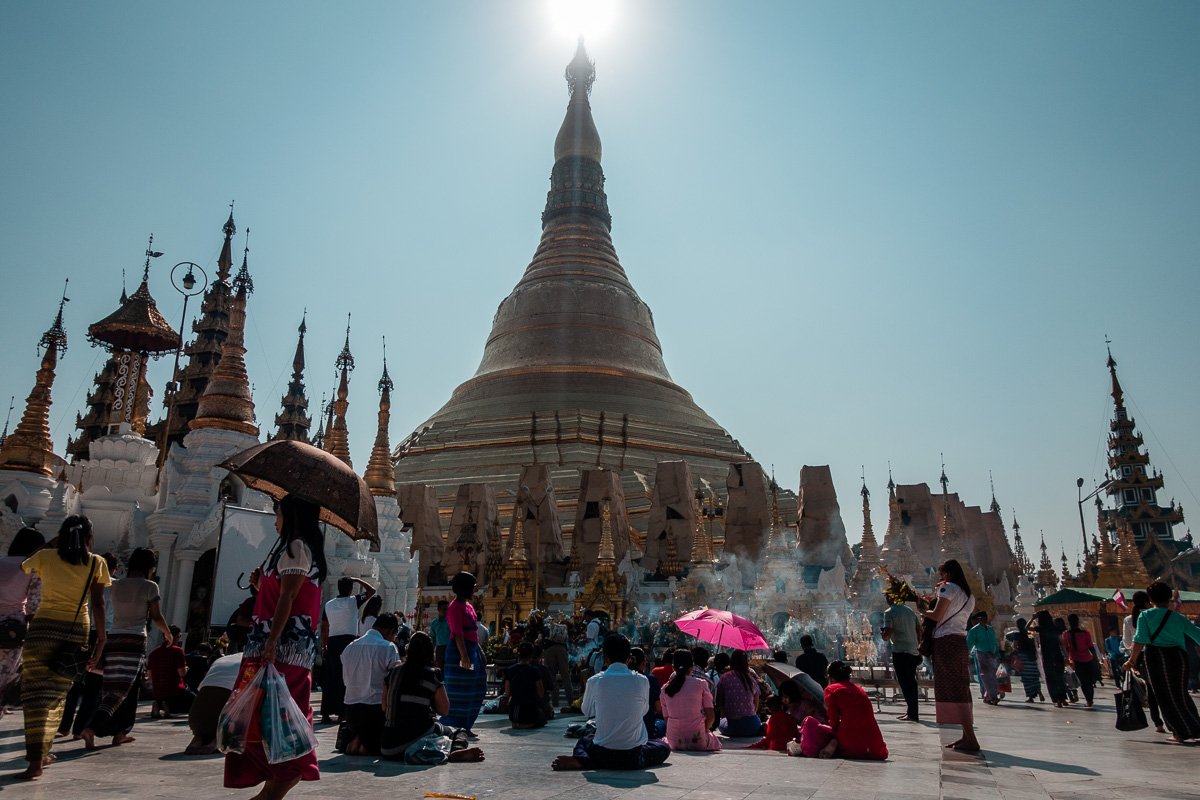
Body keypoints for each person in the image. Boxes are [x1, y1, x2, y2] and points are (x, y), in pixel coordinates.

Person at [224, 495, 328, 800]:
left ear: (292, 516)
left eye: (279, 514)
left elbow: (289, 597)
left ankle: (275, 788)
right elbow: (278, 594)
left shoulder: (296, 548)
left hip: (284, 649)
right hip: (267, 645)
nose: (275, 520)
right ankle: (270, 789)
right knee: (258, 716)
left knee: (279, 718)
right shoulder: (285, 549)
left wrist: (272, 641)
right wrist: (261, 584)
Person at [15, 515, 111, 781]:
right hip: (74, 633)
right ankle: (42, 754)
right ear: (90, 538)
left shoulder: (45, 557)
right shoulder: (96, 563)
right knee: (56, 697)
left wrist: (53, 542)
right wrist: (101, 640)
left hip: (41, 631)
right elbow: (99, 604)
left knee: (35, 697)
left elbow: (24, 564)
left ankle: (36, 758)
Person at [81, 547, 172, 749]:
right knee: (120, 690)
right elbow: (156, 617)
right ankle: (92, 728)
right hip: (135, 641)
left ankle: (121, 731)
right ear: (150, 567)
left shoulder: (115, 584)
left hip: (115, 638)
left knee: (125, 687)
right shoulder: (150, 586)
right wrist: (168, 633)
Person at [551, 633, 670, 771]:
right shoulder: (642, 681)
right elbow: (643, 711)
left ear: (605, 658)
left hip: (603, 752)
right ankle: (593, 762)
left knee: (584, 741)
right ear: (628, 658)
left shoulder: (594, 681)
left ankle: (584, 761)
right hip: (633, 756)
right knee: (663, 746)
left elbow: (587, 711)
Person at [380, 631, 484, 762]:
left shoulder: (393, 673)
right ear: (430, 651)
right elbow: (444, 710)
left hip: (388, 747)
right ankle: (456, 751)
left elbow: (384, 707)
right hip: (413, 739)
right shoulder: (432, 674)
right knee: (458, 731)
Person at [1124, 580, 1200, 742]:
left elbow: (1140, 639)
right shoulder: (1178, 618)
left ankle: (1179, 732)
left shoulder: (1145, 616)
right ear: (1169, 598)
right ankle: (1194, 727)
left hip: (1156, 658)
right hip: (1179, 657)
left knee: (1164, 695)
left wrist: (1131, 661)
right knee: (1180, 693)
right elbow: (1197, 635)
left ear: (1150, 599)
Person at [920, 558, 978, 753]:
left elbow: (936, 616)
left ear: (949, 574)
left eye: (942, 574)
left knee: (952, 687)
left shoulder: (948, 588)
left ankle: (970, 737)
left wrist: (922, 609)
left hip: (945, 642)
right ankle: (967, 735)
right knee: (960, 686)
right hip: (960, 641)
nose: (941, 578)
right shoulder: (969, 595)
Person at [339, 613, 402, 755]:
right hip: (375, 709)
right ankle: (363, 743)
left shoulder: (350, 647)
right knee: (373, 747)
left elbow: (345, 679)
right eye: (394, 634)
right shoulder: (388, 647)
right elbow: (394, 679)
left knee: (362, 736)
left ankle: (357, 738)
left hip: (351, 709)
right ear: (389, 631)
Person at [802, 661, 888, 760]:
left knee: (812, 725)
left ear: (831, 678)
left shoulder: (831, 690)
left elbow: (834, 721)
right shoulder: (859, 689)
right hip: (874, 743)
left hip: (852, 743)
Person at [0, 528, 44, 717]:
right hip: (12, 629)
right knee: (5, 678)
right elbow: (34, 604)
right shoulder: (32, 568)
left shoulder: (0, 562)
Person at [320, 575, 375, 723]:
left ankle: (325, 712)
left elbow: (325, 626)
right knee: (345, 677)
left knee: (330, 676)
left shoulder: (329, 604)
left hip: (332, 641)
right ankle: (341, 712)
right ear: (350, 589)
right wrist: (357, 580)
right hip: (348, 642)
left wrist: (324, 644)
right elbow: (372, 590)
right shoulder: (353, 601)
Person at [441, 571, 487, 735]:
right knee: (457, 691)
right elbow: (458, 633)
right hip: (459, 652)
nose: (475, 589)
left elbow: (472, 632)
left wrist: (479, 651)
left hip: (472, 649)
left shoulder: (469, 606)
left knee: (476, 688)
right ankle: (453, 725)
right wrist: (464, 656)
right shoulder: (454, 607)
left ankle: (466, 724)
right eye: (473, 586)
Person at [659, 648, 721, 751]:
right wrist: (703, 730)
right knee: (714, 741)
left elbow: (667, 720)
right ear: (691, 667)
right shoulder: (701, 684)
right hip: (698, 740)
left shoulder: (665, 689)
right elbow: (711, 717)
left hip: (673, 741)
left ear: (673, 668)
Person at [185, 651, 243, 755]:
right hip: (222, 720)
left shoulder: (220, 660)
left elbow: (201, 689)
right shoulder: (250, 661)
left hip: (196, 718)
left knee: (205, 721)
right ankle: (217, 741)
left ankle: (198, 738)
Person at [1124, 590, 1165, 732]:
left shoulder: (1129, 620)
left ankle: (1158, 723)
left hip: (1141, 657)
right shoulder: (1156, 615)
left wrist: (1132, 658)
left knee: (1151, 689)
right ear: (1148, 601)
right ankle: (1171, 721)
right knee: (1165, 688)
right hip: (1162, 653)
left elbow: (1128, 642)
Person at [881, 591, 921, 721]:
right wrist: (918, 644)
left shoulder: (889, 612)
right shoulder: (910, 611)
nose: (886, 599)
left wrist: (883, 635)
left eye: (887, 596)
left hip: (900, 651)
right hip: (913, 650)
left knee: (905, 683)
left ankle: (912, 713)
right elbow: (919, 630)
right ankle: (913, 711)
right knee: (912, 682)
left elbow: (888, 633)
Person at [715, 649, 762, 738]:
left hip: (732, 727)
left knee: (721, 724)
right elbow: (756, 704)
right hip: (752, 726)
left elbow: (719, 702)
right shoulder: (750, 679)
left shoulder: (724, 678)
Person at [148, 625, 192, 717]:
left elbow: (150, 675)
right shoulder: (177, 651)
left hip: (157, 692)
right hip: (174, 689)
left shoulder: (153, 653)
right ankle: (169, 707)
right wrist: (186, 668)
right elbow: (182, 673)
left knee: (162, 696)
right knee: (195, 702)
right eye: (179, 636)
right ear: (175, 637)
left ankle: (158, 704)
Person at [504, 640, 546, 729]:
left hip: (514, 711)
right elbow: (541, 693)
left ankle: (518, 724)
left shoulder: (510, 670)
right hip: (530, 709)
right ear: (531, 655)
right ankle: (525, 724)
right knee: (542, 719)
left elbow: (507, 693)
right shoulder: (535, 671)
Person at [1061, 613, 1100, 708]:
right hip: (1088, 659)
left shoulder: (1066, 634)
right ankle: (1090, 699)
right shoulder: (1085, 633)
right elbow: (1091, 647)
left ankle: (1088, 700)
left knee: (1083, 681)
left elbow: (1066, 648)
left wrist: (1066, 659)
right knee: (1089, 681)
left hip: (1076, 660)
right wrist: (1096, 660)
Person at [1034, 611, 1068, 708]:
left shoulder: (1041, 629)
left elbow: (1026, 628)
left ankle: (1057, 700)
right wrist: (1066, 655)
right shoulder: (1055, 628)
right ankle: (1063, 698)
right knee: (1060, 678)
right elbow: (1061, 642)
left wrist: (1033, 618)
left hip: (1047, 656)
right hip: (1057, 656)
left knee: (1051, 679)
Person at [627, 646, 662, 738]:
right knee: (663, 724)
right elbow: (658, 708)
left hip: (626, 730)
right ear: (643, 663)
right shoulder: (650, 680)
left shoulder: (619, 680)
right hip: (647, 729)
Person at [967, 612, 1000, 705]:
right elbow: (969, 643)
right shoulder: (974, 630)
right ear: (979, 619)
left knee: (993, 676)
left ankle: (987, 696)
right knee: (987, 677)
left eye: (986, 618)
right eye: (982, 618)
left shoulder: (990, 629)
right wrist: (966, 654)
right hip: (982, 654)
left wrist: (997, 653)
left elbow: (994, 641)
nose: (985, 620)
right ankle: (993, 696)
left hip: (992, 655)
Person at [1006, 618, 1043, 702]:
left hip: (1023, 658)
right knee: (1034, 677)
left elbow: (1014, 646)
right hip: (1032, 657)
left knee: (1026, 678)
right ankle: (1039, 692)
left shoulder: (1017, 635)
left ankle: (1031, 697)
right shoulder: (1030, 634)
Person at [541, 615, 573, 709]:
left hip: (549, 650)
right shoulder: (562, 629)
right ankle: (570, 701)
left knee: (551, 676)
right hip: (562, 649)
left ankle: (555, 702)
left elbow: (540, 641)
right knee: (566, 675)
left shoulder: (546, 629)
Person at [429, 600, 451, 671]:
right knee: (439, 669)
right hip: (439, 649)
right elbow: (433, 638)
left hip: (450, 648)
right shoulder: (434, 623)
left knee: (449, 668)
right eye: (444, 609)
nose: (446, 611)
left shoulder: (451, 622)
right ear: (438, 609)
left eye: (447, 609)